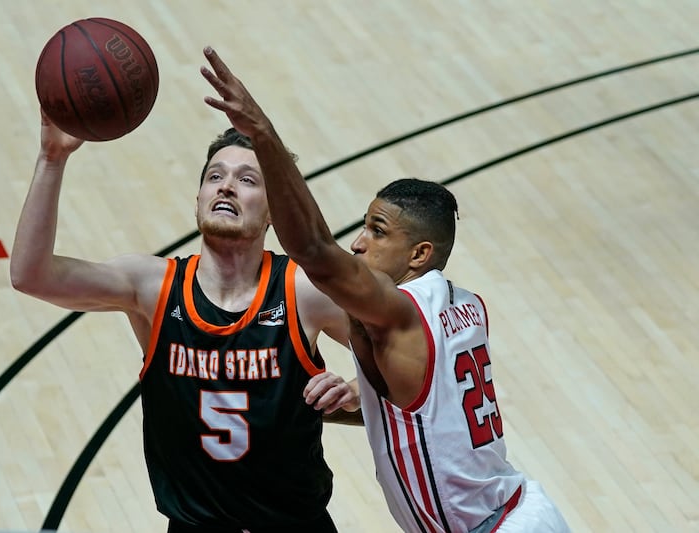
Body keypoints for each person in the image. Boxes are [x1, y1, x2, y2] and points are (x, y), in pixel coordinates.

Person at [200, 46, 571, 532]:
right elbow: (429, 415)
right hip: (517, 511)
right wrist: (359, 397)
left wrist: (263, 136)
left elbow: (313, 250)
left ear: (419, 254)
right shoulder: (464, 306)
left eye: (377, 230)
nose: (358, 243)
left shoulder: (399, 313)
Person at [9, 107, 361, 530]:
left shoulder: (303, 291)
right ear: (197, 198)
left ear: (274, 211)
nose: (226, 187)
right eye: (215, 176)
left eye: (247, 180)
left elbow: (400, 350)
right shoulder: (153, 287)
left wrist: (359, 387)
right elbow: (31, 275)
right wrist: (52, 158)